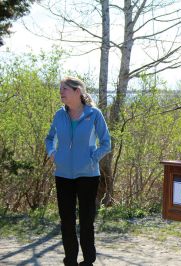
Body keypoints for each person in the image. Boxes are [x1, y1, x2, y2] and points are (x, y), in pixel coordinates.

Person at [45, 76, 111, 266]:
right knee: (66, 220)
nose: (61, 92)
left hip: (88, 176)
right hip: (63, 174)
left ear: (77, 92)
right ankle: (70, 260)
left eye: (65, 88)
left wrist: (92, 159)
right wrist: (52, 153)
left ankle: (88, 260)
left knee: (86, 220)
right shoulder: (59, 115)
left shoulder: (94, 114)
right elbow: (49, 138)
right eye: (60, 89)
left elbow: (106, 143)